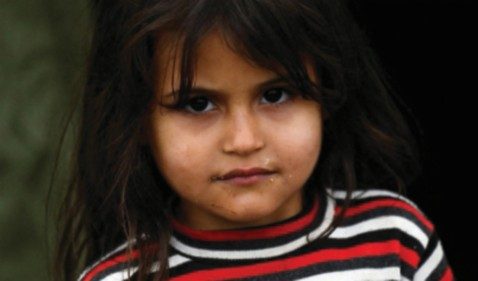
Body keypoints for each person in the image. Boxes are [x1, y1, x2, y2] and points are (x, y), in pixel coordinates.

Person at [53, 0, 454, 280]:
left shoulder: (395, 241)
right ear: (139, 121)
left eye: (275, 95)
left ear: (326, 95)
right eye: (197, 104)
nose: (244, 141)